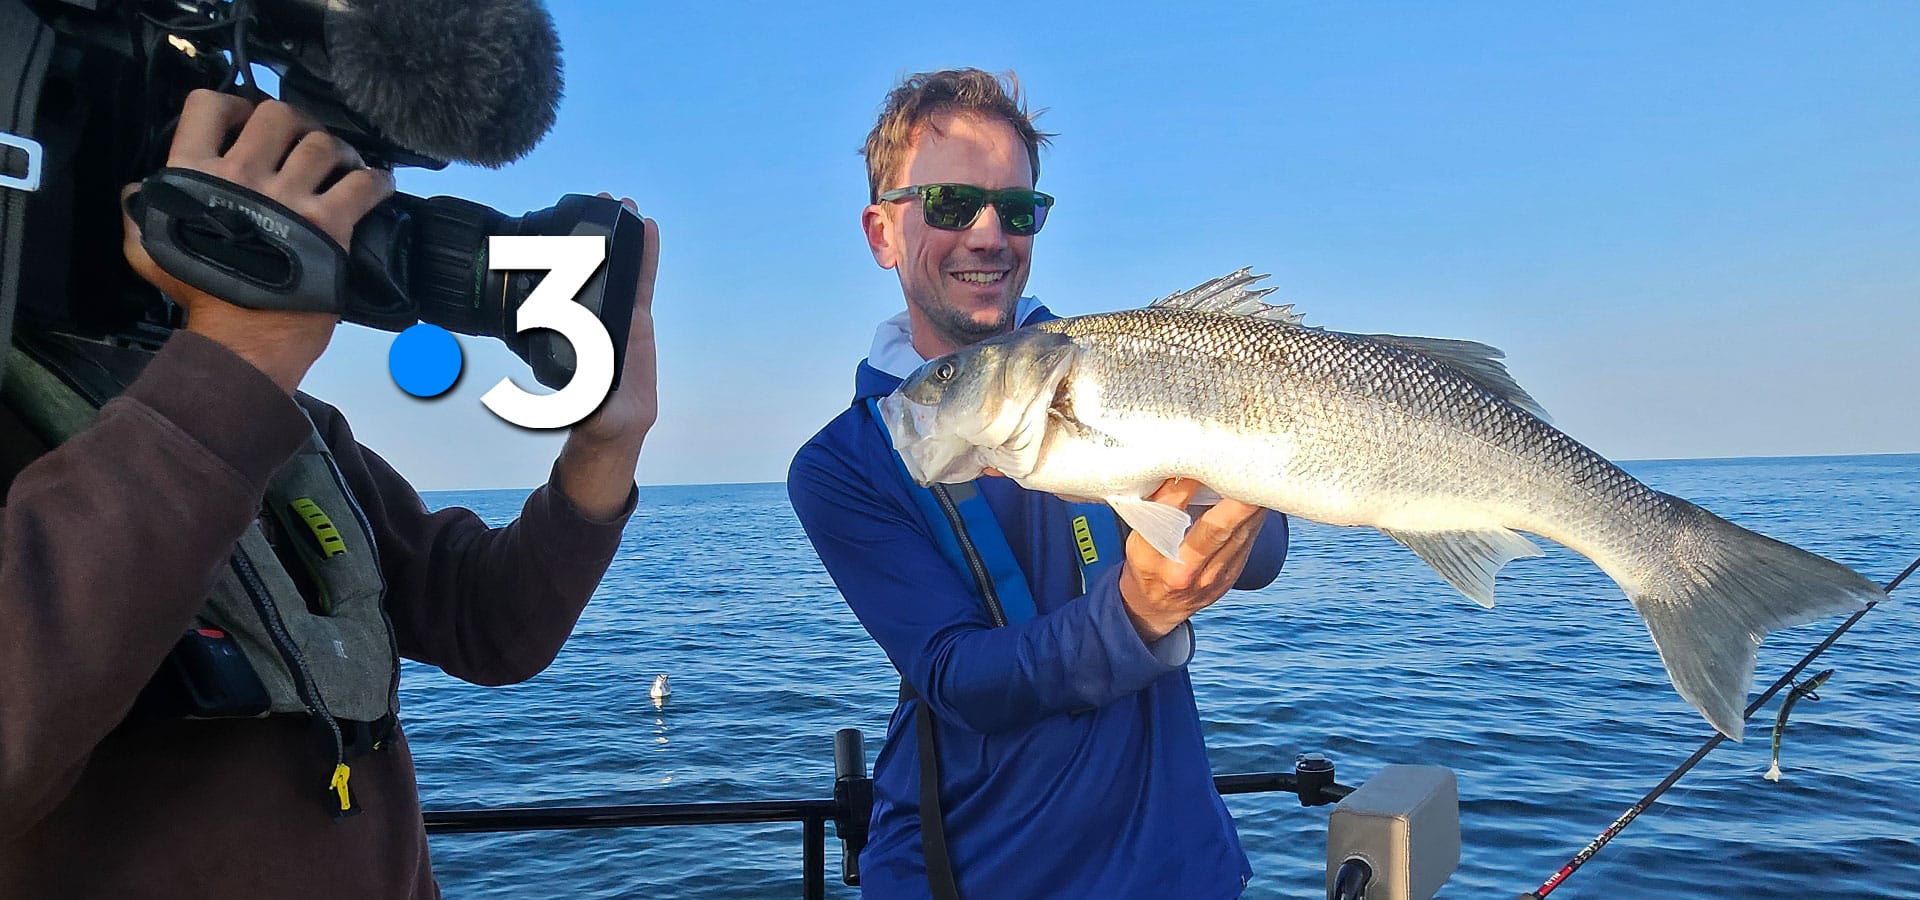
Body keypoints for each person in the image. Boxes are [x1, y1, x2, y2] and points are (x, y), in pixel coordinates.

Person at [0, 89, 659, 897]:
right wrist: (240, 359)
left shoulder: (282, 422)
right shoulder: (227, 397)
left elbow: (490, 625)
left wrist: (605, 443)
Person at [786, 69, 1291, 898]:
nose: (989, 234)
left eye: (1017, 210)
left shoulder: (1122, 368)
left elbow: (1264, 554)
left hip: (1177, 864)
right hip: (974, 872)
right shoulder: (842, 464)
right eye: (950, 203)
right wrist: (1138, 613)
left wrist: (1224, 491)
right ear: (882, 232)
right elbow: (956, 676)